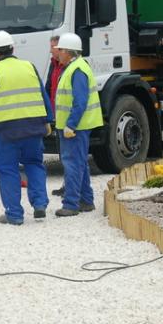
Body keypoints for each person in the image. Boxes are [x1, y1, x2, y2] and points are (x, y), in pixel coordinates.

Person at [0, 30, 54, 225]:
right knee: (34, 164)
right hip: (34, 129)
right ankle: (40, 205)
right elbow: (43, 94)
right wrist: (48, 121)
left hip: (6, 132)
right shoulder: (30, 67)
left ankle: (14, 214)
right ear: (12, 48)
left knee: (8, 170)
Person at [51, 33, 104, 217]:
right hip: (77, 126)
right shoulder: (76, 67)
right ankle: (86, 201)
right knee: (79, 162)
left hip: (76, 127)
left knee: (72, 163)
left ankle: (71, 204)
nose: (58, 54)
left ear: (68, 51)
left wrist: (70, 125)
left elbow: (79, 101)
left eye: (61, 50)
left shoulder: (77, 70)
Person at [46, 35, 66, 197]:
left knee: (70, 156)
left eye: (53, 46)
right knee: (63, 154)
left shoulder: (68, 67)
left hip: (67, 118)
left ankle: (72, 188)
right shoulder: (53, 65)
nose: (50, 50)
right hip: (57, 116)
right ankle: (67, 184)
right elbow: (48, 88)